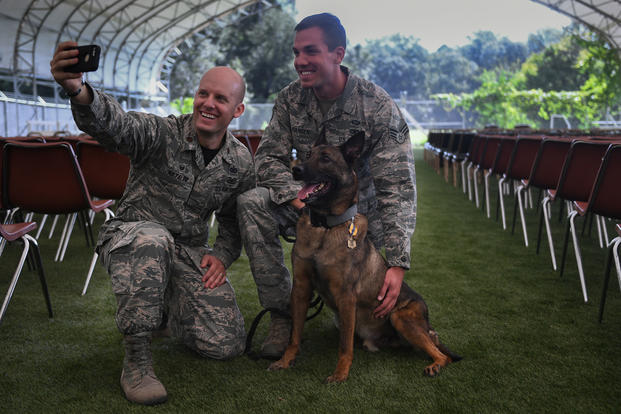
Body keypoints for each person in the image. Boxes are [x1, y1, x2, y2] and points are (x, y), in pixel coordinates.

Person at [50, 41, 255, 405]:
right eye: (203, 93)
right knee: (152, 239)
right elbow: (117, 126)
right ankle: (137, 360)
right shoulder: (161, 133)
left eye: (220, 99)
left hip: (186, 251)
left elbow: (232, 219)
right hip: (133, 236)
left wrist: (222, 254)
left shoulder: (239, 161)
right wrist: (78, 90)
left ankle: (163, 308)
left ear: (237, 109)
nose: (208, 103)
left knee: (225, 344)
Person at [237, 13, 417, 359]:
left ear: (338, 54)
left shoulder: (375, 104)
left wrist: (396, 262)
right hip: (305, 210)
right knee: (252, 202)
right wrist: (299, 201)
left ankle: (343, 301)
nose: (300, 62)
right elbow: (268, 160)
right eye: (296, 53)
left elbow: (397, 186)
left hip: (359, 221)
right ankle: (282, 314)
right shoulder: (290, 99)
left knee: (370, 308)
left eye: (310, 52)